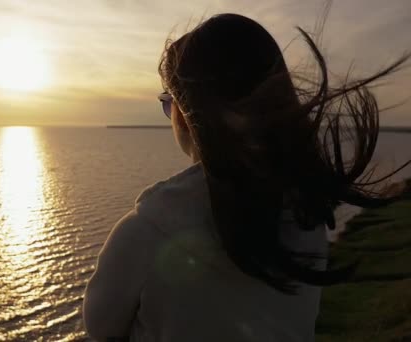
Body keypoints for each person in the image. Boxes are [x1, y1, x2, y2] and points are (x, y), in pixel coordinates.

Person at [83, 12, 410, 341]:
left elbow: (100, 327)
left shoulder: (146, 231)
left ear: (185, 115)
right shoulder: (309, 213)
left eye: (169, 103)